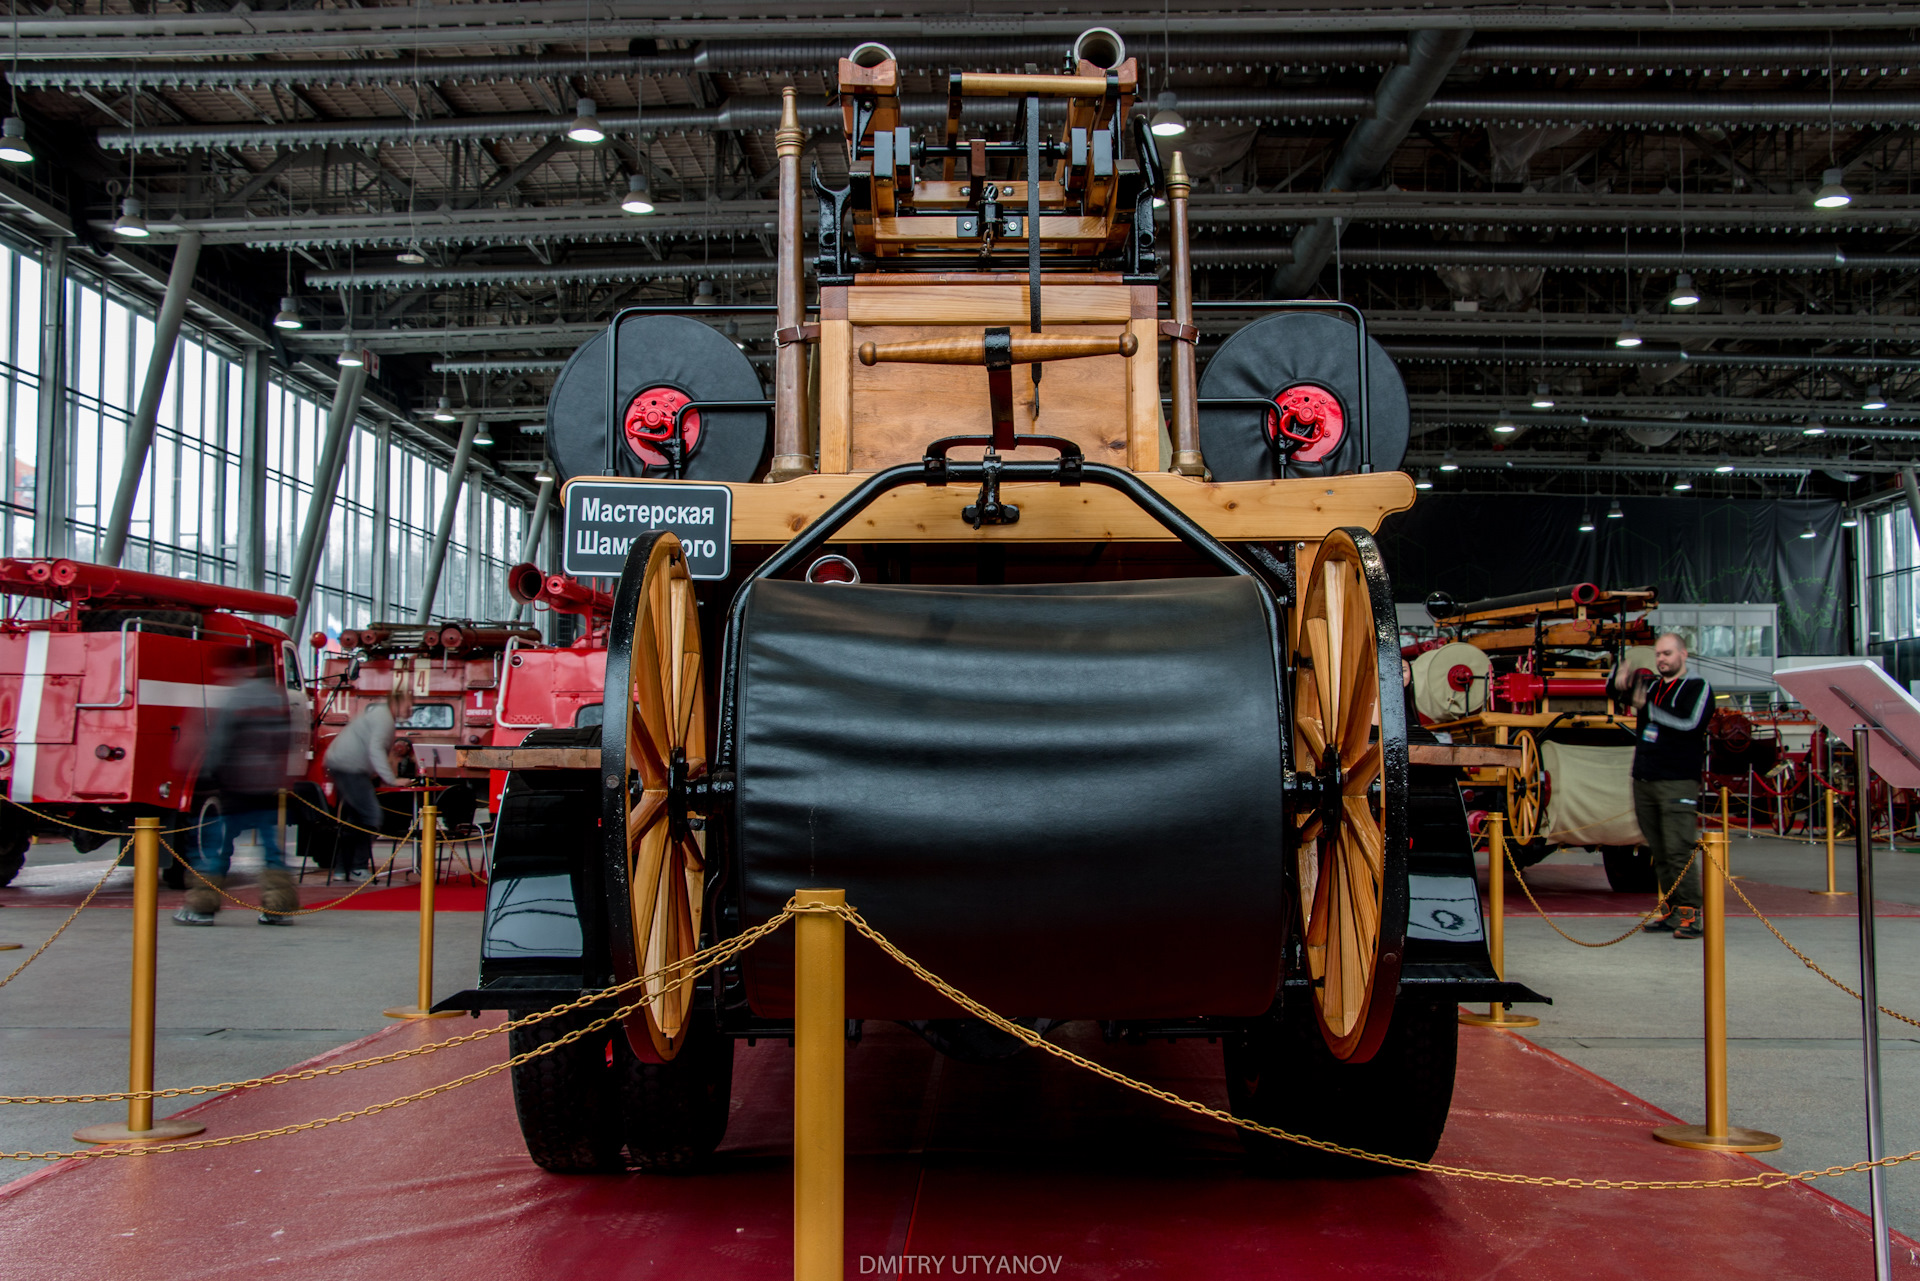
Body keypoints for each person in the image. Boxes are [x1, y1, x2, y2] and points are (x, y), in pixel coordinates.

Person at [174, 648, 297, 927]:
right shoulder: (274, 698)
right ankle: (278, 909)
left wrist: (209, 777)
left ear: (235, 669)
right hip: (268, 789)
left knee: (216, 849)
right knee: (273, 853)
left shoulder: (233, 700)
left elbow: (218, 744)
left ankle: (201, 908)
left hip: (234, 789)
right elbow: (284, 742)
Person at [1610, 632, 1713, 940]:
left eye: (1667, 653)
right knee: (1659, 850)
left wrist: (1649, 708)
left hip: (1676, 781)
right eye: (1658, 654)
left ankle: (1691, 914)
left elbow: (1689, 722)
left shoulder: (1698, 687)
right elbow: (1624, 696)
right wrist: (1618, 681)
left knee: (1678, 849)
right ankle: (1671, 911)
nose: (1661, 659)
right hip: (1645, 779)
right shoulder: (1654, 686)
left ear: (1684, 654)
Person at [323, 685, 413, 881]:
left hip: (341, 765)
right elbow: (376, 749)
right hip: (351, 768)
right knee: (371, 816)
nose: (411, 709)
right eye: (408, 704)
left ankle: (342, 869)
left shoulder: (379, 715)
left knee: (354, 819)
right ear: (396, 702)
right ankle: (358, 867)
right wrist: (391, 779)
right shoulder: (384, 719)